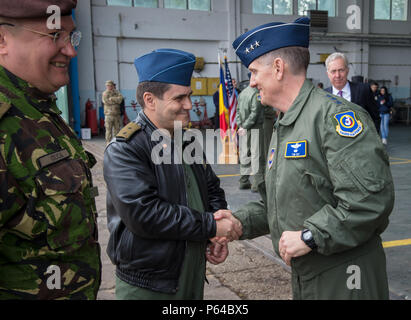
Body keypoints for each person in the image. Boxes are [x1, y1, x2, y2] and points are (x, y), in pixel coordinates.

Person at [217, 17, 394, 300]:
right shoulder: (287, 123)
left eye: (253, 71)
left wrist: (309, 236)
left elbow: (369, 202)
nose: (251, 81)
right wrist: (239, 222)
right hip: (310, 273)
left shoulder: (333, 118)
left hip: (346, 277)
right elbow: (288, 202)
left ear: (278, 68)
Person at [103, 48, 242, 300]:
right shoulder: (126, 148)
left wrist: (215, 236)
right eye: (179, 98)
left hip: (190, 269)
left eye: (189, 96)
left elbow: (211, 189)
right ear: (149, 100)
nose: (189, 105)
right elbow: (143, 214)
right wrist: (211, 225)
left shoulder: (186, 138)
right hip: (150, 283)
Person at [0, 0, 101, 299]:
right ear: (2, 40)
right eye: (55, 36)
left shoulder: (37, 106)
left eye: (72, 37)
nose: (71, 50)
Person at [324, 52, 381, 133]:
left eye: (341, 70)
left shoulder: (363, 90)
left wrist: (371, 141)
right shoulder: (323, 95)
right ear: (328, 74)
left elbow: (375, 117)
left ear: (347, 70)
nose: (337, 75)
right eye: (333, 71)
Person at [236, 85, 265, 192]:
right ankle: (257, 183)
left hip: (243, 127)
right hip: (254, 127)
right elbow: (255, 112)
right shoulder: (256, 94)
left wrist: (241, 126)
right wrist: (246, 125)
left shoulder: (242, 93)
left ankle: (244, 181)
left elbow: (238, 110)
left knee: (245, 153)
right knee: (256, 154)